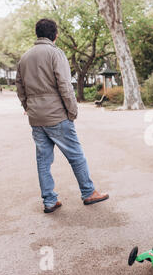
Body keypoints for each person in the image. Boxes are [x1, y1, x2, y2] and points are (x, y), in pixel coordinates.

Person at [15, 19, 108, 214]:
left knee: (43, 160)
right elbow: (65, 85)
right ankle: (88, 192)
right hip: (57, 115)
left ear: (37, 34)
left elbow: (20, 88)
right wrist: (72, 110)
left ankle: (49, 200)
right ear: (55, 35)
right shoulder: (55, 53)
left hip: (36, 117)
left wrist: (28, 106)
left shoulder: (24, 58)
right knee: (76, 155)